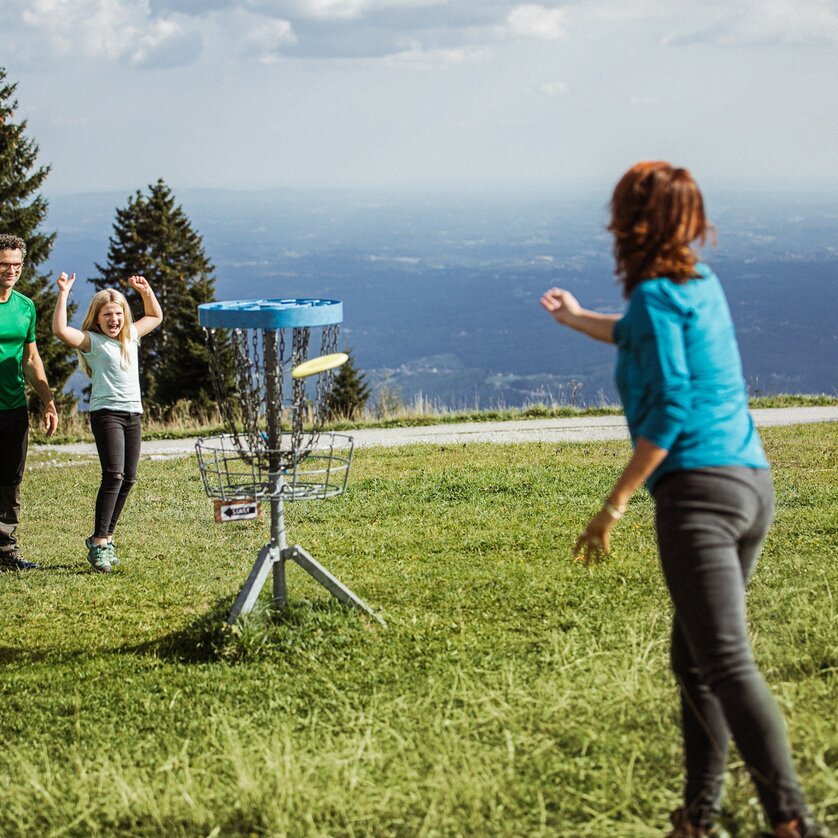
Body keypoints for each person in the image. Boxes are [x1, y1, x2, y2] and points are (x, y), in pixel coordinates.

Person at [540, 162, 824, 838]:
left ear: (629, 223)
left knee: (723, 661)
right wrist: (580, 321)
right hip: (752, 483)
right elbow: (641, 330)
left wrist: (613, 504)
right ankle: (696, 818)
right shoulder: (699, 286)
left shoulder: (658, 298)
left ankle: (792, 821)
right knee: (693, 661)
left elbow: (669, 409)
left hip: (698, 493)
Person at [52, 272, 162, 573]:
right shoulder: (93, 342)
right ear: (97, 320)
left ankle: (106, 538)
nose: (113, 319)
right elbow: (61, 330)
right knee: (113, 475)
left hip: (132, 414)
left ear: (123, 316)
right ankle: (100, 542)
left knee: (128, 478)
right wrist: (63, 293)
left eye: (117, 313)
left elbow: (155, 315)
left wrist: (145, 291)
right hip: (107, 414)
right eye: (107, 315)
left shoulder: (131, 336)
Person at [0, 233, 59, 571]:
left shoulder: (25, 307)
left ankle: (6, 552)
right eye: (5, 264)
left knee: (10, 481)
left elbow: (32, 358)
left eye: (16, 265)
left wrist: (48, 401)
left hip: (14, 408)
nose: (11, 270)